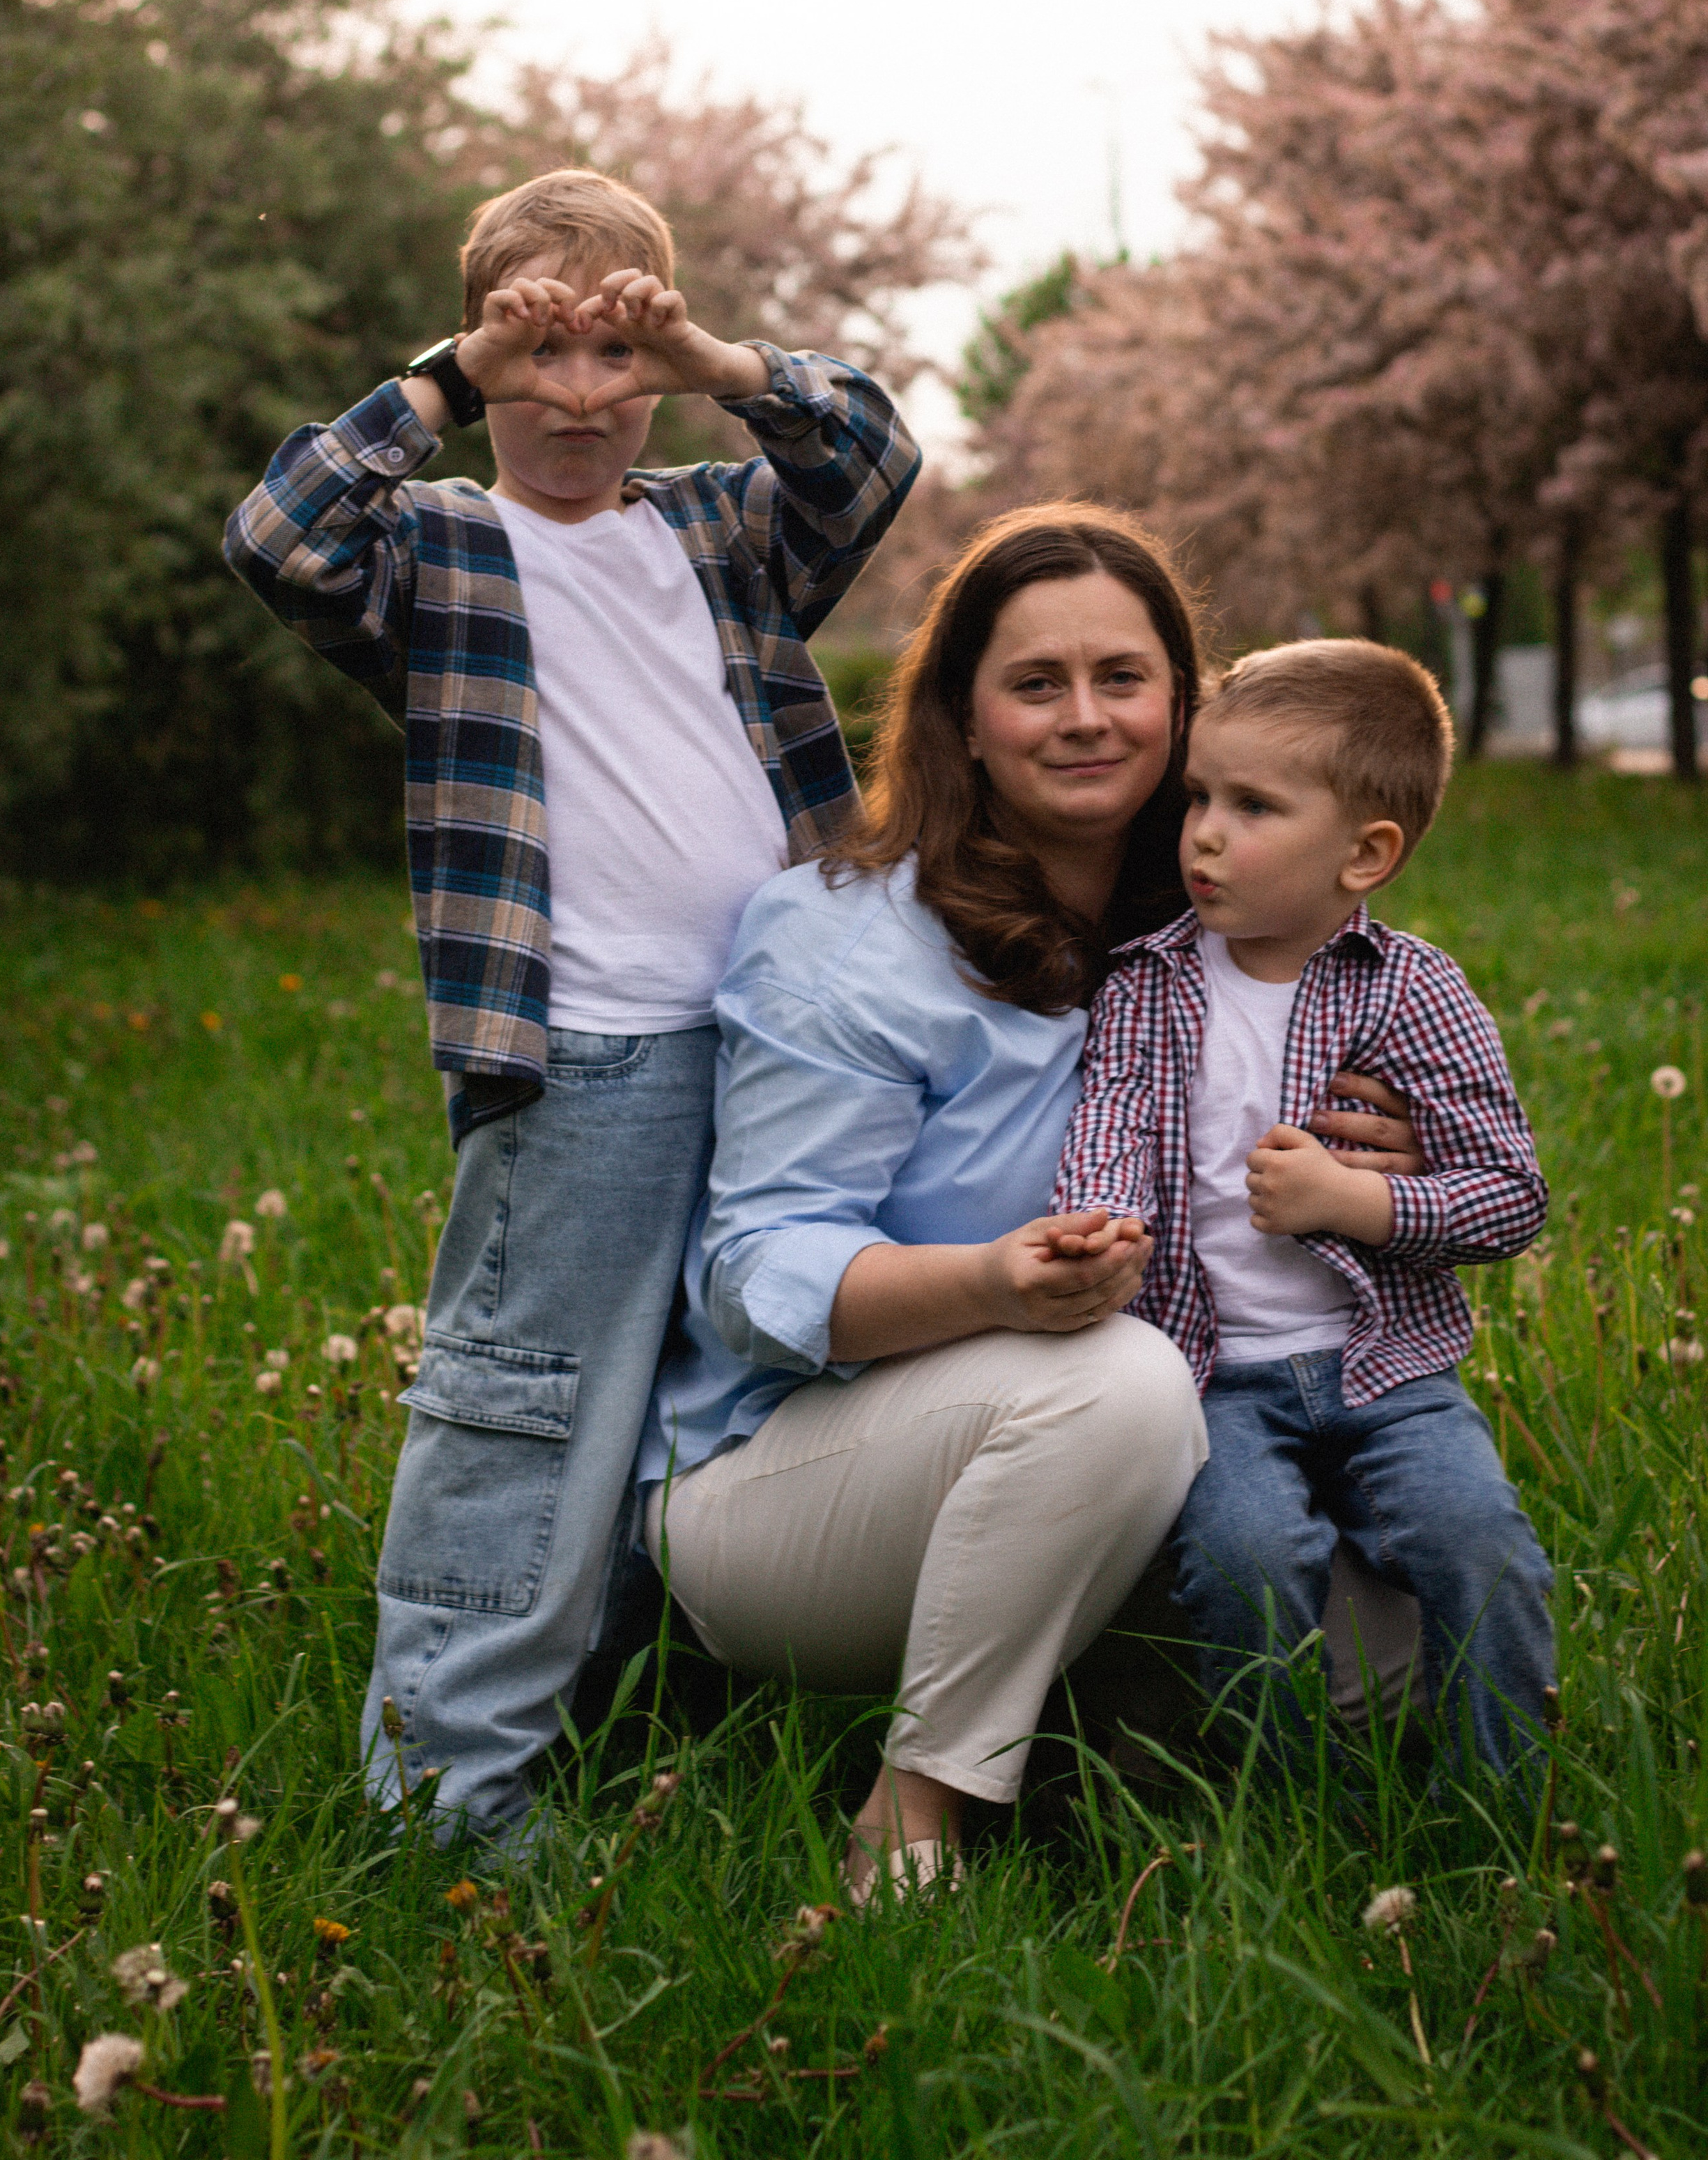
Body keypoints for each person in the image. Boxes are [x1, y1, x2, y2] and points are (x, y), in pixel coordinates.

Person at [224, 167, 921, 1844]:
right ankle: (450, 1794)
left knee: (714, 1400)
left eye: (618, 356)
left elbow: (869, 460)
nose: (582, 395)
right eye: (541, 356)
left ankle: (628, 1715)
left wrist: (714, 360)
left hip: (783, 1040)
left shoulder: (718, 528)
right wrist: (449, 379)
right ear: (483, 360)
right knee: (528, 1410)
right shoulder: (438, 551)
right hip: (586, 1053)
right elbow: (277, 536)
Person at [640, 511, 1430, 1892]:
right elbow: (755, 1276)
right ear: (963, 717)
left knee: (1387, 1663)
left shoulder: (1236, 933)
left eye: (1122, 678)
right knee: (1115, 1382)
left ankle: (1082, 1743)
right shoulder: (846, 937)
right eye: (1034, 684)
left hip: (1137, 1442)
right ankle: (915, 1816)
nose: (1084, 719)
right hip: (786, 1485)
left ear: (1184, 706)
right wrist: (992, 1283)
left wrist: (1382, 1166)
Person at [1054, 638, 1553, 1777]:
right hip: (1214, 1376)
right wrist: (1102, 1222)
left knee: (1481, 1545)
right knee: (1244, 1555)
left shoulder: (1414, 990)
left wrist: (1355, 1200)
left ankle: (1511, 1807)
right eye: (1199, 797)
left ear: (1365, 854)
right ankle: (1279, 1808)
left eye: (1254, 807)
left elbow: (1509, 1196)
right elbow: (1109, 1126)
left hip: (1390, 1372)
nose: (1203, 834)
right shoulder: (1148, 984)